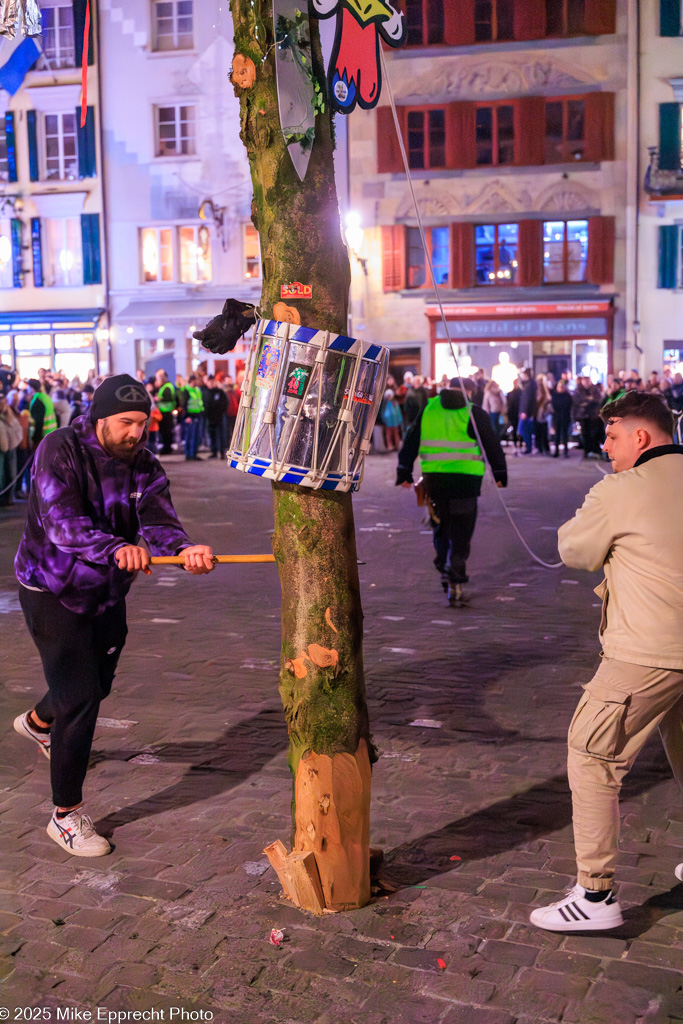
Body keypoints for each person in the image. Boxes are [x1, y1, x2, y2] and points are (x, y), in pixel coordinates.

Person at [12, 374, 215, 857]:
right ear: (100, 417)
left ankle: (40, 722)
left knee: (96, 683)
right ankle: (65, 817)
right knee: (81, 697)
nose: (135, 434)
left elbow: (160, 519)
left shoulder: (142, 462)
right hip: (50, 587)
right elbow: (63, 523)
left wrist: (185, 550)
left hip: (104, 591)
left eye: (142, 424)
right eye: (126, 423)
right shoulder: (58, 449)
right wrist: (116, 547)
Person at [530, 392, 683, 932]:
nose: (606, 446)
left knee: (592, 751)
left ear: (641, 437)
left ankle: (594, 897)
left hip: (651, 650)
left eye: (613, 436)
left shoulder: (622, 488)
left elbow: (575, 550)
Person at [397, 377, 507, 606]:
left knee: (441, 526)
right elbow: (491, 443)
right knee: (462, 530)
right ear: (469, 392)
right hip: (466, 482)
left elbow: (411, 437)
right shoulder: (475, 413)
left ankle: (443, 567)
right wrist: (499, 473)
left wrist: (404, 470)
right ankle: (456, 575)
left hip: (435, 481)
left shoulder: (429, 409)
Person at [26, 379, 58, 446]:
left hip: (43, 435)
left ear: (32, 388)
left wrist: (35, 439)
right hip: (51, 431)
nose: (26, 388)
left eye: (28, 386)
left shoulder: (37, 401)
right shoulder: (46, 397)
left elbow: (38, 422)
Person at [154, 370, 177, 455]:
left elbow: (166, 398)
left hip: (166, 412)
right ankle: (166, 447)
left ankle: (167, 448)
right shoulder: (164, 386)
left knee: (166, 431)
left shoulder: (167, 387)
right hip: (163, 412)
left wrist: (158, 399)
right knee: (165, 431)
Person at [183, 374, 205, 460]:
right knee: (190, 436)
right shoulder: (187, 390)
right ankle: (189, 454)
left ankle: (194, 454)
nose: (195, 382)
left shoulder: (197, 390)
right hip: (190, 416)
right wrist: (187, 416)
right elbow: (184, 404)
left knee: (195, 436)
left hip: (197, 415)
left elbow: (199, 402)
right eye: (194, 381)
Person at [517, 368, 537, 455]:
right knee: (526, 430)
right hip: (527, 412)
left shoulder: (529, 386)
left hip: (526, 412)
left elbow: (527, 400)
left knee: (522, 429)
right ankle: (529, 447)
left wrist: (524, 411)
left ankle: (529, 447)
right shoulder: (530, 384)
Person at [551, 379, 572, 458]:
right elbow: (554, 405)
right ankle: (556, 451)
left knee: (564, 435)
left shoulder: (567, 396)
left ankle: (565, 451)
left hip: (565, 417)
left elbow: (568, 406)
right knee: (557, 435)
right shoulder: (555, 395)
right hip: (557, 417)